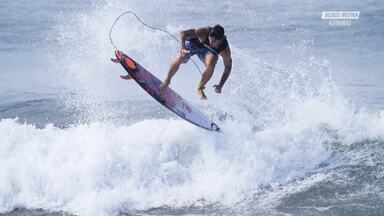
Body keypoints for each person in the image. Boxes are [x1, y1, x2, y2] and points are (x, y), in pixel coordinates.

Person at [160, 25, 232, 100]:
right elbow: (183, 33)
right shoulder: (204, 32)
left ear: (220, 40)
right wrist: (183, 47)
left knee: (211, 65)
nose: (211, 43)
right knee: (181, 57)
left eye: (214, 42)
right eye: (210, 39)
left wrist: (221, 85)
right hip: (193, 45)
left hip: (208, 52)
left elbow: (228, 67)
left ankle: (200, 88)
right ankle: (167, 81)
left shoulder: (224, 49)